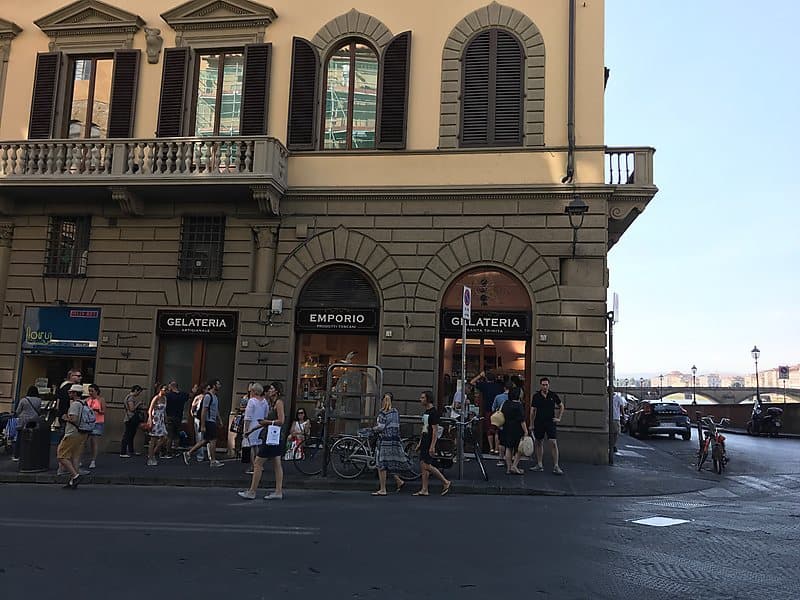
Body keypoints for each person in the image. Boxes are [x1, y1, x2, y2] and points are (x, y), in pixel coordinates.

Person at [238, 381, 285, 500]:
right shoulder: (270, 403)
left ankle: (252, 491)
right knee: (277, 464)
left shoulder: (278, 403)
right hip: (273, 436)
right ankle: (278, 491)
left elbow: (281, 421)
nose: (269, 390)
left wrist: (268, 422)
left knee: (258, 463)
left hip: (272, 437)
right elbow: (264, 421)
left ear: (277, 391)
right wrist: (252, 430)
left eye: (272, 389)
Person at [371, 392, 411, 496]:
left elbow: (380, 427)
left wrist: (373, 429)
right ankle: (399, 481)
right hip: (394, 440)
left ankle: (383, 489)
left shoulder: (382, 413)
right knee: (389, 462)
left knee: (381, 465)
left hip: (384, 440)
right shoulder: (395, 412)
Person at [413, 391, 451, 497]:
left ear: (428, 399)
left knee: (426, 465)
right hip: (425, 439)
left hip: (430, 440)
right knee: (422, 464)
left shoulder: (433, 412)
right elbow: (424, 428)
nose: (420, 399)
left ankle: (445, 481)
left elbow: (435, 430)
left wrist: (433, 445)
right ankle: (424, 489)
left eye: (422, 397)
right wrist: (420, 442)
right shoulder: (426, 412)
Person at [56, 383, 92, 489]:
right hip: (82, 433)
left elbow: (74, 419)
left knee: (61, 455)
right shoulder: (84, 403)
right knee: (75, 457)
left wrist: (65, 417)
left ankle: (75, 476)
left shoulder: (75, 404)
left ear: (75, 393)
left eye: (71, 392)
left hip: (72, 433)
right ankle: (72, 481)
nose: (69, 393)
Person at [183, 379, 224, 468]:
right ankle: (212, 461)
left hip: (212, 421)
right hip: (208, 421)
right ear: (213, 385)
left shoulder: (215, 397)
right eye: (218, 384)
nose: (220, 386)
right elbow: (204, 411)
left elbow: (216, 410)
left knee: (205, 440)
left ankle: (188, 453)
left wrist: (219, 420)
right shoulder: (208, 396)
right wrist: (202, 425)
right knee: (213, 440)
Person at [529, 377, 565, 475]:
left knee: (553, 443)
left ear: (549, 385)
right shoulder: (536, 396)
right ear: (540, 385)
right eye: (543, 385)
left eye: (546, 384)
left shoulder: (553, 395)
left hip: (550, 422)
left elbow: (561, 406)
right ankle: (540, 464)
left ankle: (556, 466)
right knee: (539, 442)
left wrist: (559, 418)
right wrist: (531, 424)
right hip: (539, 422)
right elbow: (532, 411)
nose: (545, 386)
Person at [470, 370, 504, 453]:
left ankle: (491, 448)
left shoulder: (484, 385)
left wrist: (480, 375)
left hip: (488, 410)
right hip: (498, 411)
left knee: (489, 430)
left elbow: (472, 382)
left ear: (486, 378)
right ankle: (496, 449)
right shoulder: (498, 386)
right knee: (497, 430)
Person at [501, 386, 528, 474]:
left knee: (508, 448)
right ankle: (514, 466)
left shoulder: (506, 403)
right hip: (517, 429)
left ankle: (508, 468)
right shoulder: (518, 405)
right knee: (519, 449)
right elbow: (522, 420)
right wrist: (526, 431)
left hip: (507, 427)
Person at [242, 383, 268, 473]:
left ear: (254, 391)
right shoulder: (264, 402)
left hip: (252, 426)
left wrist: (246, 430)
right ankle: (260, 465)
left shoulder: (251, 401)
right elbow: (266, 414)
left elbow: (248, 417)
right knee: (257, 446)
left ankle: (253, 466)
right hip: (260, 425)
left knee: (251, 446)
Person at [13, 386, 42, 461]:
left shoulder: (24, 400)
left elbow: (18, 411)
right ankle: (31, 454)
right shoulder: (39, 400)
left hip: (24, 420)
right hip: (35, 420)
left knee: (20, 437)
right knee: (33, 437)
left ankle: (17, 455)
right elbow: (39, 410)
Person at [164, 381, 189, 457]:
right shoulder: (182, 395)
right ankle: (175, 451)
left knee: (170, 435)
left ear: (171, 386)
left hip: (170, 416)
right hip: (179, 417)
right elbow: (189, 396)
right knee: (177, 435)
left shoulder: (168, 395)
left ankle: (168, 452)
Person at [146, 385, 168, 466]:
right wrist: (150, 420)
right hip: (155, 419)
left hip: (161, 420)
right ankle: (150, 458)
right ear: (160, 390)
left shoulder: (165, 399)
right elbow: (150, 409)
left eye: (167, 390)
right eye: (165, 390)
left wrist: (165, 419)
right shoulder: (156, 398)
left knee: (164, 437)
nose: (166, 391)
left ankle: (153, 452)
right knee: (153, 439)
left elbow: (164, 410)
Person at [120, 385, 144, 457]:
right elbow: (132, 409)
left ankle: (131, 451)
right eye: (139, 392)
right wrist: (138, 404)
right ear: (136, 390)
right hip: (130, 418)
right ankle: (123, 452)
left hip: (129, 418)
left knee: (131, 435)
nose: (138, 394)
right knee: (128, 435)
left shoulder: (129, 397)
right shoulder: (130, 398)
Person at [85, 384, 106, 469]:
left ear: (96, 391)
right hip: (87, 422)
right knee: (83, 441)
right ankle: (79, 459)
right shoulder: (87, 400)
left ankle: (93, 460)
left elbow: (104, 411)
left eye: (92, 391)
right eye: (89, 391)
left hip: (97, 422)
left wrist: (98, 410)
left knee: (94, 441)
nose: (90, 393)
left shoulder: (101, 399)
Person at [491, 381, 510, 464]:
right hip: (510, 421)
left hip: (500, 420)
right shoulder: (513, 397)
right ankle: (509, 459)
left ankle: (500, 457)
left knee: (500, 437)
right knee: (509, 441)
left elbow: (493, 408)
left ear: (504, 388)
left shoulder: (498, 397)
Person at [189, 383, 207, 462]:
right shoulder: (198, 398)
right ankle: (200, 455)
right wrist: (194, 415)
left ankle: (209, 455)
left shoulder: (209, 397)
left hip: (207, 419)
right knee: (199, 437)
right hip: (198, 419)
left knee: (208, 438)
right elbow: (192, 408)